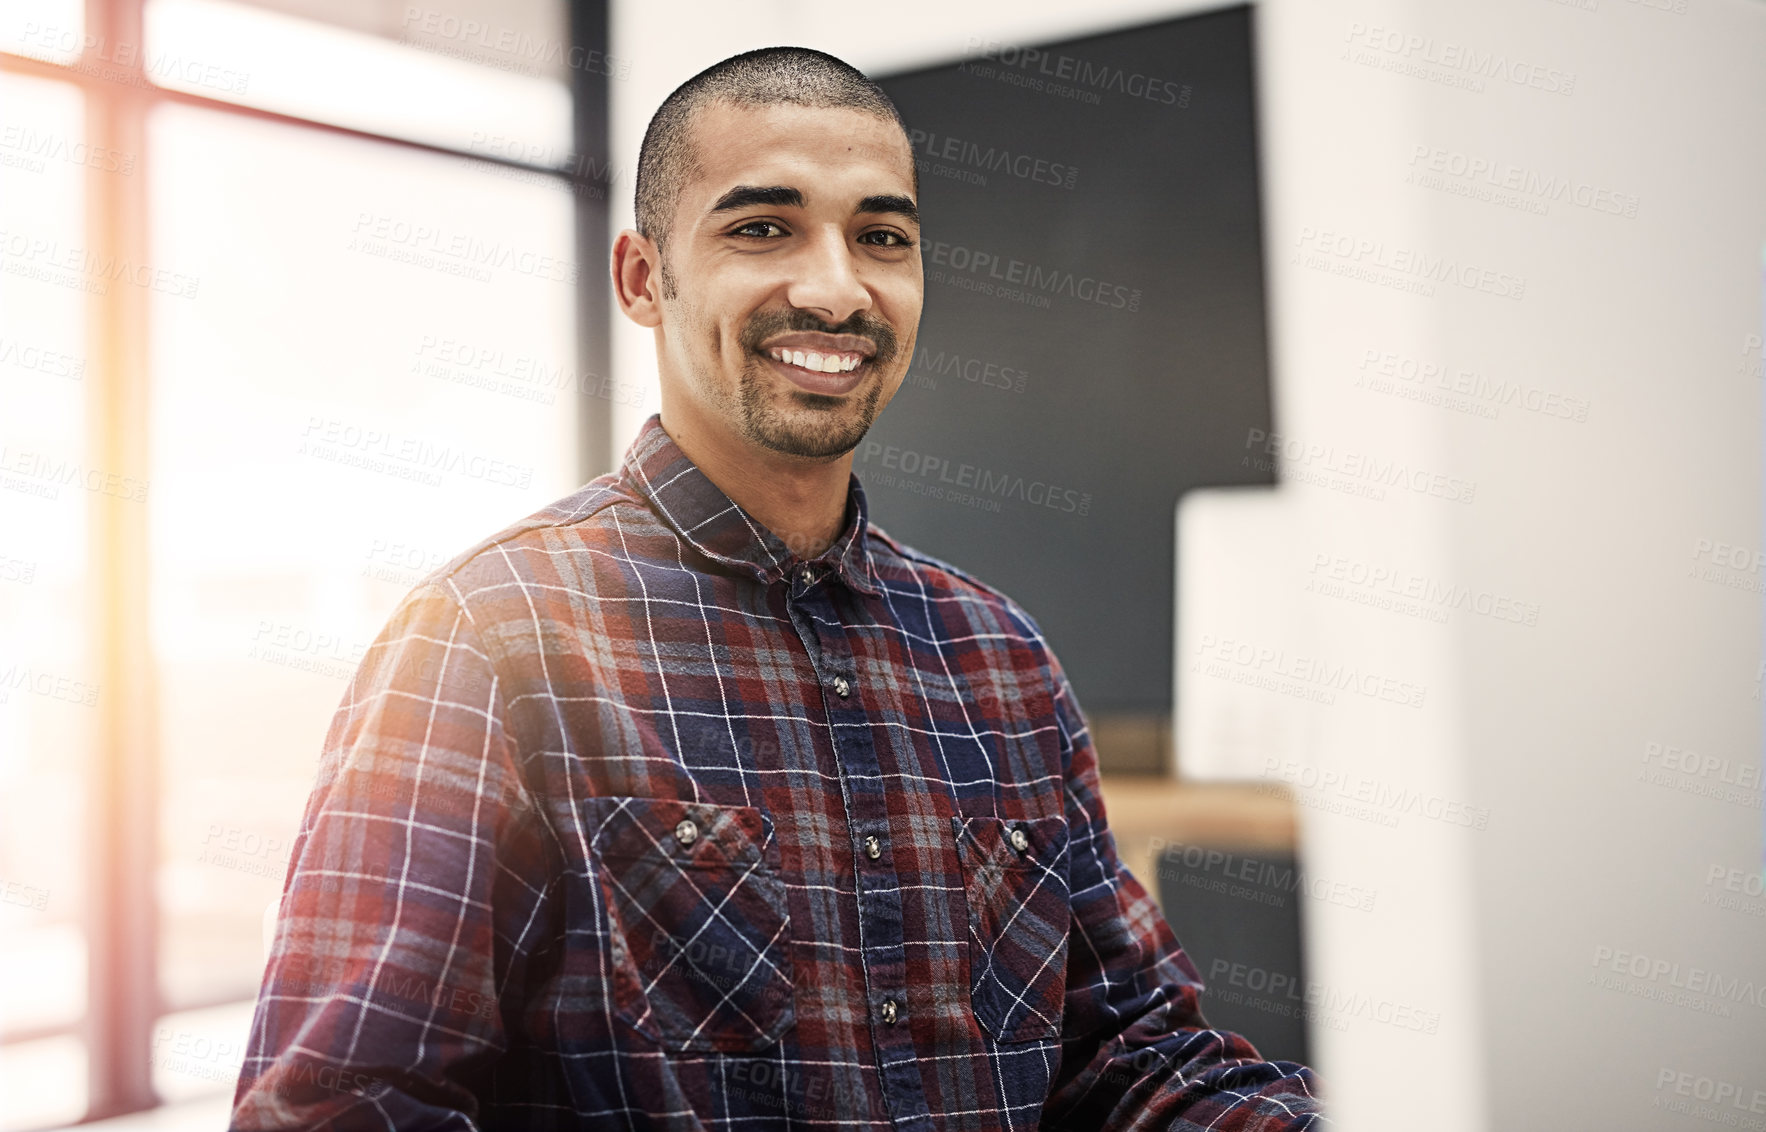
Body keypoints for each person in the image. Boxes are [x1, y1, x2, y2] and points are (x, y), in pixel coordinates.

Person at [232, 45, 1324, 1131]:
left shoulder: (999, 657)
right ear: (640, 278)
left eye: (880, 238)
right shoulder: (486, 636)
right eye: (762, 228)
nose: (835, 287)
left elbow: (1127, 1053)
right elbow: (341, 1105)